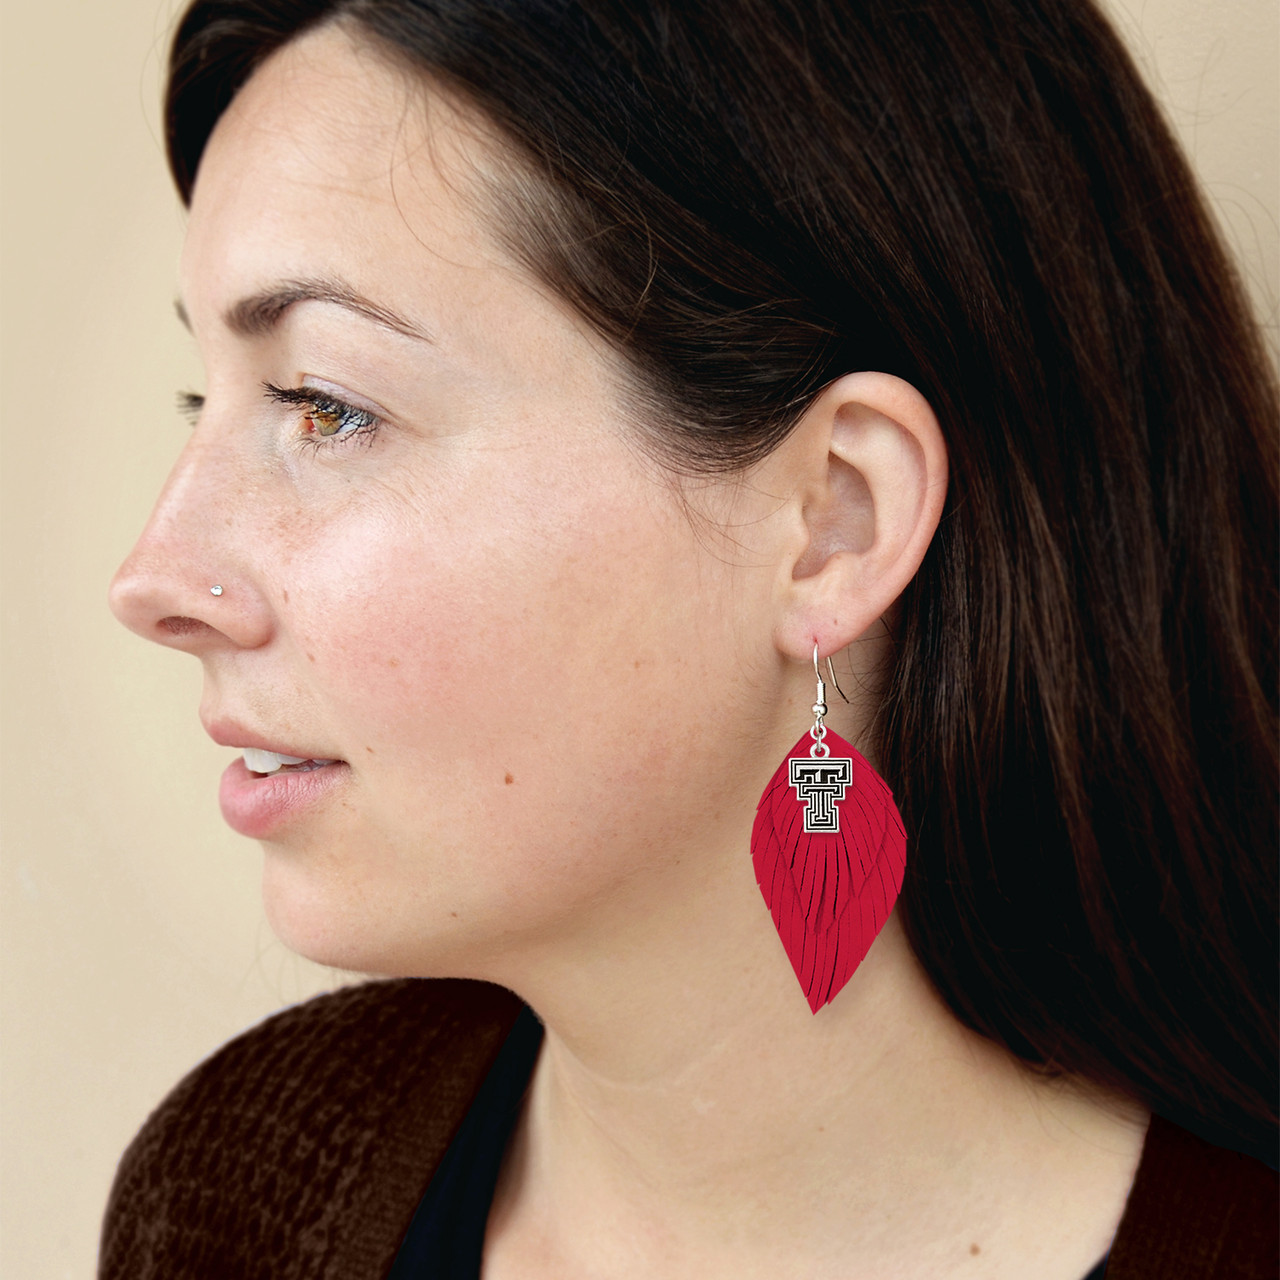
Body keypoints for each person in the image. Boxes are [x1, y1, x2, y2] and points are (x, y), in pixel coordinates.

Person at [100, 1, 1277, 1276]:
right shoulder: (243, 1190)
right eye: (199, 398)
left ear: (833, 520)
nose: (155, 577)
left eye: (324, 404)